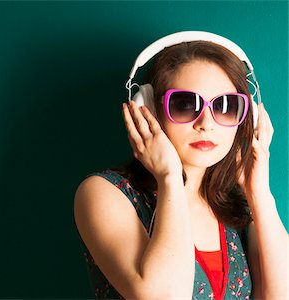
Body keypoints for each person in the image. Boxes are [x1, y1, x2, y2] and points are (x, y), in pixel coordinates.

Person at [73, 36, 288, 299]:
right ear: (149, 109)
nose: (206, 123)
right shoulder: (103, 194)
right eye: (186, 105)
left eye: (226, 106)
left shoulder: (239, 210)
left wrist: (260, 195)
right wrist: (169, 177)